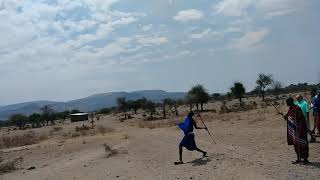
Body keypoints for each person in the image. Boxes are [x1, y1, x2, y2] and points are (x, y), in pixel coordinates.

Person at [280, 97, 309, 164]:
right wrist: (282, 115)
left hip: (300, 130)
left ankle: (305, 159)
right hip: (294, 131)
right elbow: (287, 118)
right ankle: (298, 158)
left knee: (302, 144)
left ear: (291, 101)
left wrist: (293, 119)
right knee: (296, 144)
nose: (286, 103)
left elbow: (300, 119)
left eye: (287, 102)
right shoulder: (290, 109)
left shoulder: (297, 108)